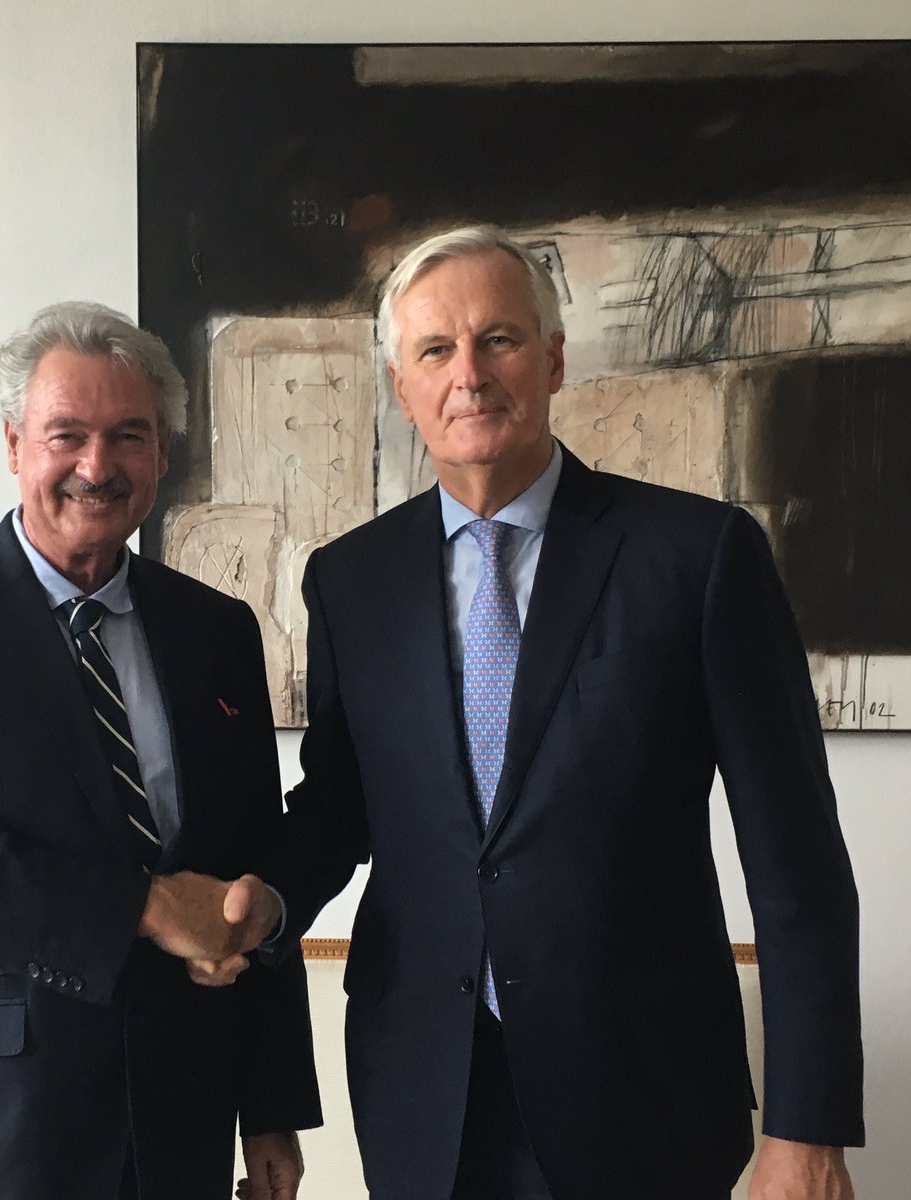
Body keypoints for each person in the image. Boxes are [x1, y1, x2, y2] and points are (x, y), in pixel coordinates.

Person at [196, 226, 864, 1200]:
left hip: (645, 1097)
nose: (468, 375)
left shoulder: (698, 556)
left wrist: (809, 1126)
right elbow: (342, 806)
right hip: (426, 1091)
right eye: (436, 350)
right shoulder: (350, 580)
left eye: (498, 339)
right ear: (402, 386)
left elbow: (796, 856)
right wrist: (269, 901)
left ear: (552, 359)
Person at [0, 302, 321, 1200]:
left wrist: (270, 1104)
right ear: (15, 444)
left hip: (176, 1113)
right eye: (67, 435)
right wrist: (145, 907)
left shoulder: (215, 630)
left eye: (129, 435)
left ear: (162, 454)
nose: (98, 467)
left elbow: (245, 871)